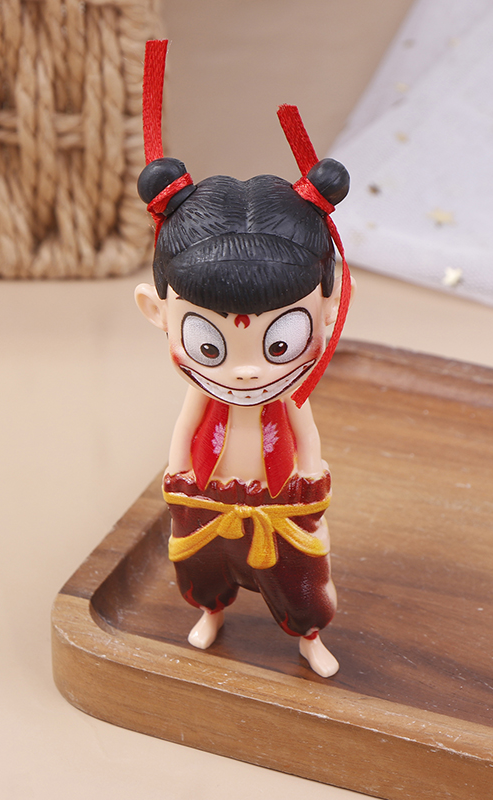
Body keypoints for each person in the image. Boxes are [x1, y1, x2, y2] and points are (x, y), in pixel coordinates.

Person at [134, 41, 352, 678]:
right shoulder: (208, 394)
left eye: (278, 342)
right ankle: (211, 611)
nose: (247, 370)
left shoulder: (284, 395)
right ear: (156, 311)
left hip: (282, 499)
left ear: (328, 310)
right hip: (206, 493)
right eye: (211, 345)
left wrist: (309, 477)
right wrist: (179, 472)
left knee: (301, 579)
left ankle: (309, 636)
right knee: (201, 566)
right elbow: (187, 422)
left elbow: (303, 427)